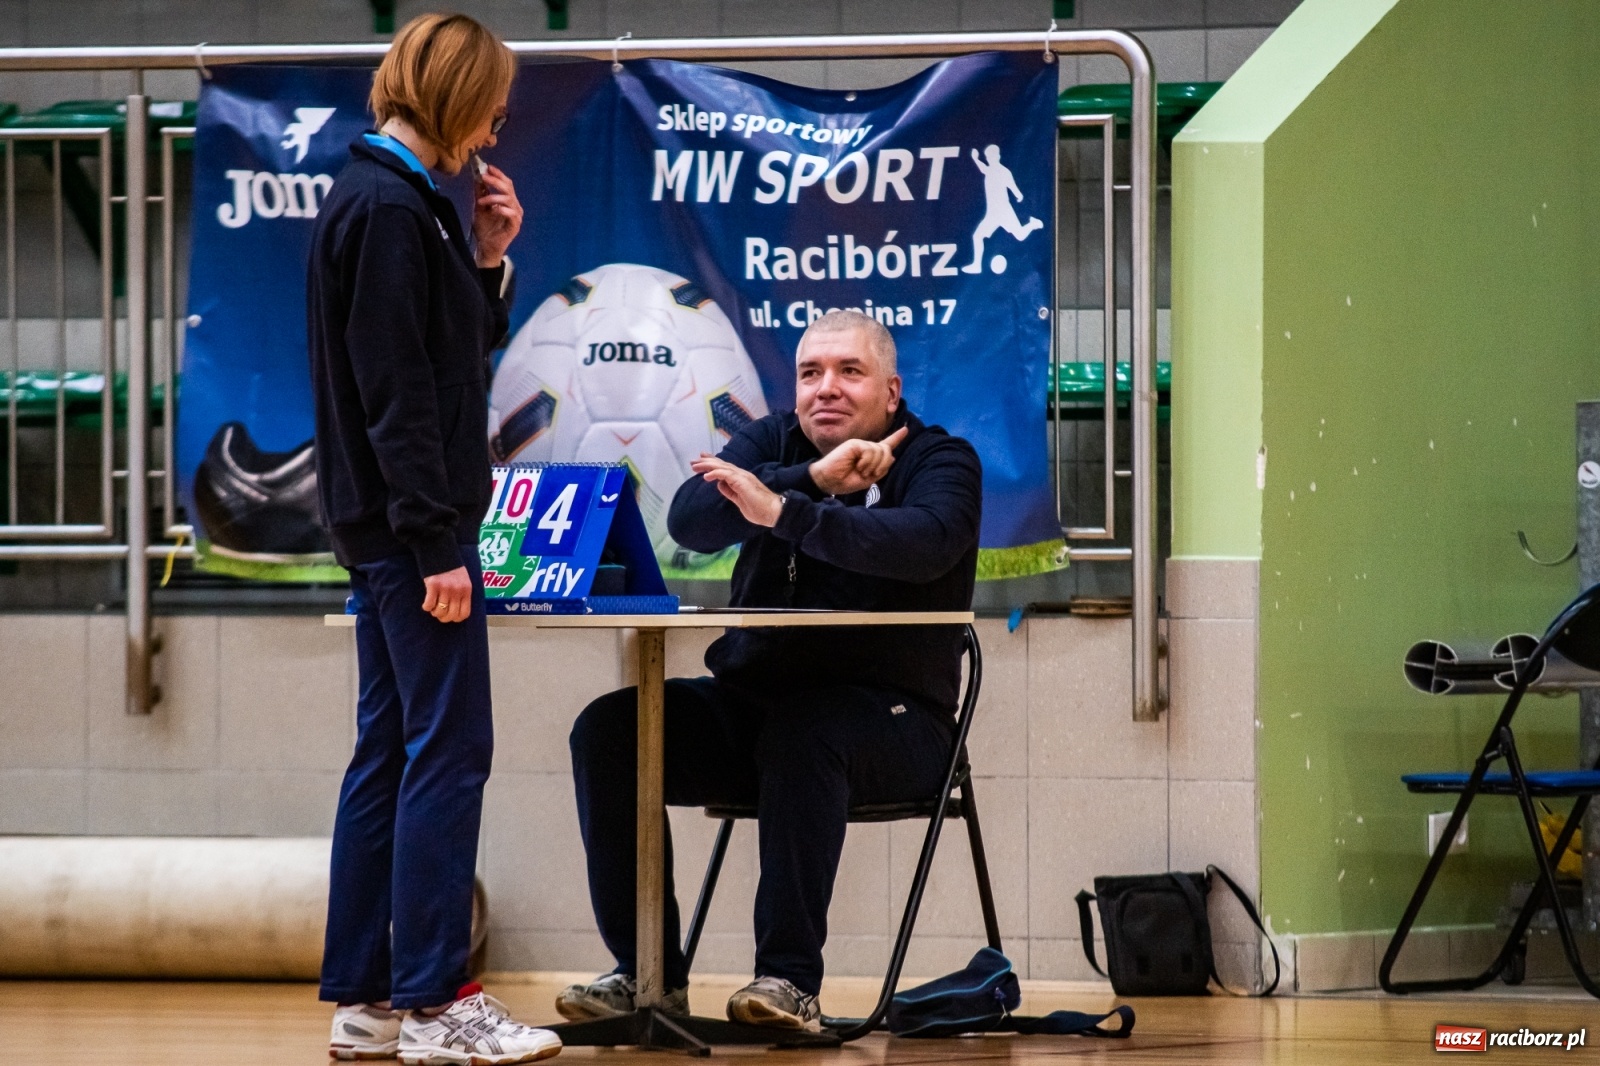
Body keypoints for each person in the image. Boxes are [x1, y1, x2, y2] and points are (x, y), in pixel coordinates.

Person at [558, 310, 982, 1031]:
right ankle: (647, 974)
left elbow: (925, 544)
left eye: (850, 372)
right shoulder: (770, 440)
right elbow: (693, 520)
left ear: (891, 389)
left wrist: (784, 511)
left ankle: (787, 982)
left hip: (897, 728)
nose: (826, 389)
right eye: (811, 372)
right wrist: (807, 478)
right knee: (608, 730)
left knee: (804, 732)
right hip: (755, 711)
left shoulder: (941, 460)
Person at [307, 13, 559, 1065]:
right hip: (415, 536)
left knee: (388, 753)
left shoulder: (400, 203)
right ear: (457, 97)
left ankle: (369, 999)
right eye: (493, 98)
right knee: (449, 753)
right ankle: (433, 1003)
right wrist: (434, 542)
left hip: (394, 533)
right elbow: (397, 396)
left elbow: (440, 359)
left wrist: (491, 261)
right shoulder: (388, 208)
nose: (502, 117)